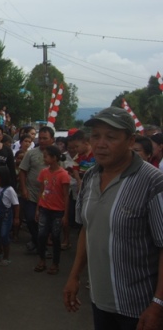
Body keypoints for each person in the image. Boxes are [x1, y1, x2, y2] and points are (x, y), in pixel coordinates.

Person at [63, 107, 163, 330]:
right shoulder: (90, 177)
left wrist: (158, 304)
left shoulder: (153, 181)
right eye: (96, 136)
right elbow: (87, 229)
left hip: (139, 308)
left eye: (111, 137)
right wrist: (74, 276)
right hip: (100, 302)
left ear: (130, 141)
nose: (100, 143)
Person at [33, 145, 69, 275]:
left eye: (46, 156)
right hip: (44, 208)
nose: (44, 158)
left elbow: (66, 196)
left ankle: (55, 263)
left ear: (54, 158)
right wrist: (38, 208)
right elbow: (41, 191)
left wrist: (65, 214)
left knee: (55, 237)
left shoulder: (63, 175)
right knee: (41, 235)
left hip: (58, 211)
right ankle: (42, 260)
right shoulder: (44, 172)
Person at [18, 126, 55, 253]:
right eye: (41, 138)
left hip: (50, 196)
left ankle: (37, 243)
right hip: (32, 193)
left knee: (45, 224)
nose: (43, 141)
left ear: (52, 139)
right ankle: (39, 245)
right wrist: (24, 189)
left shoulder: (57, 155)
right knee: (30, 219)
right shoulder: (31, 153)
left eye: (46, 138)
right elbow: (22, 171)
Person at [0, 166, 19, 267]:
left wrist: (16, 218)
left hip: (6, 216)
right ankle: (0, 251)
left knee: (4, 235)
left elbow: (16, 204)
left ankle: (6, 257)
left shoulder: (9, 190)